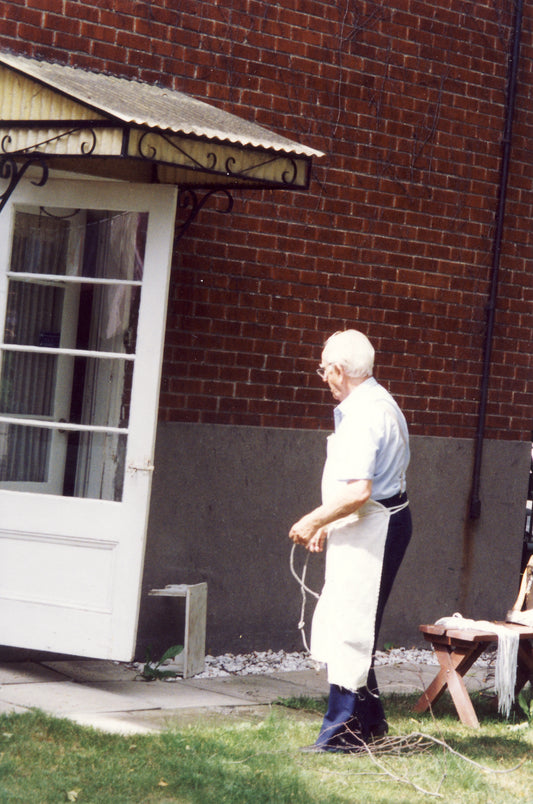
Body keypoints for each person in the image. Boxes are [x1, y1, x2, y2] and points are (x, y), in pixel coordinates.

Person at [289, 329, 412, 753]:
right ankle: (371, 722)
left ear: (340, 370)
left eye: (324, 369)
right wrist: (329, 522)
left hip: (376, 526)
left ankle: (343, 733)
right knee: (354, 622)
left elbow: (360, 490)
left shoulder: (364, 414)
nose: (323, 376)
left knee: (352, 627)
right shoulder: (374, 401)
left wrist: (312, 520)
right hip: (370, 521)